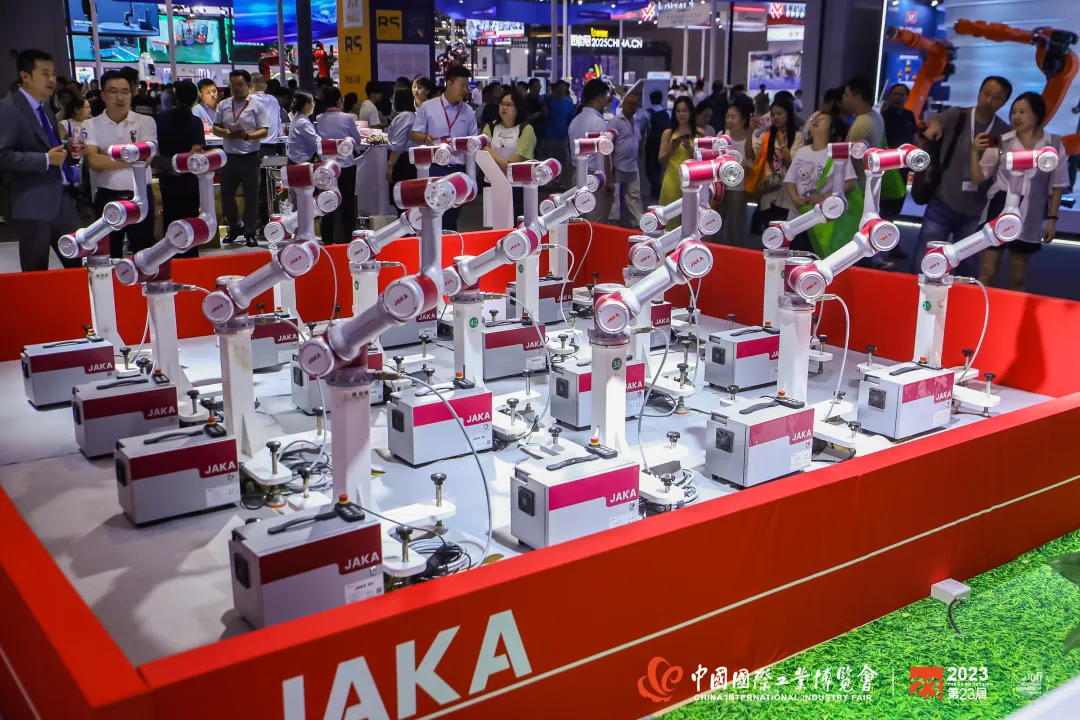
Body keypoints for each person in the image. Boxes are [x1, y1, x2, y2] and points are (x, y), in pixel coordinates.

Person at [911, 75, 1012, 277]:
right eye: (986, 94)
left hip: (975, 210)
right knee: (926, 261)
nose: (989, 101)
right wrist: (934, 127)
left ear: (1003, 103)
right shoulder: (959, 115)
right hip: (943, 202)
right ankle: (915, 294)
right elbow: (937, 122)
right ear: (979, 93)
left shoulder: (1002, 131)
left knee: (966, 270)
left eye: (996, 98)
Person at [972, 92, 1066, 291]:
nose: (1016, 117)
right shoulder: (1001, 141)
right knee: (987, 271)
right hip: (999, 205)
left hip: (1030, 210)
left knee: (1018, 275)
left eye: (1023, 112)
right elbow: (980, 176)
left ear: (1037, 114)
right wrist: (973, 152)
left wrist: (1052, 219)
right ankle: (982, 307)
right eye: (1013, 112)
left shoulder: (1054, 144)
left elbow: (1057, 185)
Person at [0, 49, 83, 271]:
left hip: (63, 200)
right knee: (36, 270)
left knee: (79, 264)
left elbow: (49, 148)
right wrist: (45, 160)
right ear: (25, 76)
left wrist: (68, 152)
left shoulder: (44, 107)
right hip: (33, 203)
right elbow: (3, 155)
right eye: (45, 74)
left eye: (53, 73)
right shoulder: (9, 108)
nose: (52, 79)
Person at [83, 70, 158, 258]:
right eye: (114, 91)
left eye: (125, 91)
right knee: (108, 254)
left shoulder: (146, 122)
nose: (120, 97)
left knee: (144, 256)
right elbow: (93, 161)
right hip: (107, 196)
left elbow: (146, 159)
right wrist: (133, 155)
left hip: (140, 196)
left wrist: (106, 153)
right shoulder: (91, 124)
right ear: (103, 95)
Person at [411, 65, 479, 231]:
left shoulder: (468, 111)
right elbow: (414, 134)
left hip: (457, 170)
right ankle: (432, 244)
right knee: (433, 214)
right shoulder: (428, 107)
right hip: (434, 168)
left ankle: (449, 244)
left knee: (452, 216)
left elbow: (473, 143)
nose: (465, 90)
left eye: (467, 86)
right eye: (462, 85)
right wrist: (425, 138)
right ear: (449, 83)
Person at [212, 69, 271, 247]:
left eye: (240, 85)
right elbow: (215, 127)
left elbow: (264, 131)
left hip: (250, 158)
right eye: (233, 85)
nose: (236, 88)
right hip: (228, 158)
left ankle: (250, 232)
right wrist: (226, 133)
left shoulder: (257, 106)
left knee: (251, 197)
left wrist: (247, 136)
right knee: (226, 196)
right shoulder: (223, 105)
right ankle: (234, 226)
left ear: (248, 86)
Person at [782, 112, 858, 252]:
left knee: (815, 254)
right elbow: (790, 180)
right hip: (796, 217)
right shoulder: (802, 151)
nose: (815, 121)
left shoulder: (837, 152)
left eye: (822, 120)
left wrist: (823, 198)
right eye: (814, 119)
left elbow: (850, 182)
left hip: (821, 218)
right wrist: (795, 198)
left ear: (832, 130)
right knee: (795, 253)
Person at [154, 80, 206, 257]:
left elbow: (156, 147)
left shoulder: (160, 118)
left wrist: (170, 166)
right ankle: (190, 258)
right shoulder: (195, 121)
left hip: (167, 175)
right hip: (189, 176)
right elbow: (196, 150)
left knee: (170, 217)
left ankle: (170, 257)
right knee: (190, 219)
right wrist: (182, 166)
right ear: (196, 98)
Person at [315, 86, 363, 245]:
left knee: (327, 202)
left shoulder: (319, 118)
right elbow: (357, 140)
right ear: (339, 100)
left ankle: (327, 238)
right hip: (346, 166)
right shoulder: (347, 118)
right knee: (347, 201)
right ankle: (347, 238)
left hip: (327, 167)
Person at [750, 97, 803, 233]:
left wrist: (782, 142)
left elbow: (792, 162)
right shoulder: (766, 136)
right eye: (773, 114)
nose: (776, 117)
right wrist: (751, 131)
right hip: (768, 194)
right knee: (768, 235)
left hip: (787, 195)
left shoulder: (798, 137)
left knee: (784, 235)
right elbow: (750, 153)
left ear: (788, 114)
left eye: (779, 113)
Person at [481, 89, 536, 219]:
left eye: (509, 104)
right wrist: (499, 161)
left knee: (517, 222)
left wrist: (494, 157)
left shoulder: (526, 129)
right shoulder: (490, 127)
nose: (504, 107)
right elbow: (482, 148)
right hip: (493, 183)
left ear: (518, 108)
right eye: (502, 104)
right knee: (493, 222)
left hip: (518, 186)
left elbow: (514, 162)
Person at [568, 78, 614, 223]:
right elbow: (603, 154)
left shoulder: (575, 121)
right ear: (599, 98)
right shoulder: (598, 122)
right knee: (596, 222)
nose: (606, 101)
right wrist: (609, 181)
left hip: (577, 174)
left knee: (577, 221)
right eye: (605, 97)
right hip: (595, 177)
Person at [657, 96, 699, 231]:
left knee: (690, 220)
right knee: (671, 219)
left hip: (692, 181)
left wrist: (689, 148)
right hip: (672, 179)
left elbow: (702, 162)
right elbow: (661, 159)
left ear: (691, 112)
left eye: (685, 111)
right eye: (678, 111)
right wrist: (672, 149)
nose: (681, 114)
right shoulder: (668, 133)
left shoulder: (698, 134)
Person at [717, 103, 755, 248]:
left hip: (739, 188)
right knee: (717, 224)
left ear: (743, 120)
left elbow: (751, 160)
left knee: (735, 226)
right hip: (720, 188)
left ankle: (735, 251)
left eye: (733, 117)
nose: (729, 120)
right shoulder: (721, 136)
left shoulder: (749, 139)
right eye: (727, 117)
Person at [607, 91, 643, 229]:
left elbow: (638, 140)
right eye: (630, 104)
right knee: (615, 195)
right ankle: (612, 223)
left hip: (633, 165)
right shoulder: (615, 122)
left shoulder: (636, 121)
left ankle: (639, 223)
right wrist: (610, 165)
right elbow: (608, 145)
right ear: (624, 104)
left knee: (634, 195)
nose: (633, 107)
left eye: (635, 105)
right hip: (618, 165)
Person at [386, 88, 417, 207]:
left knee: (401, 199)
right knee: (409, 199)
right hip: (409, 160)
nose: (392, 101)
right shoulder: (412, 115)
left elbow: (398, 145)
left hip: (402, 161)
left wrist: (390, 166)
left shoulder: (404, 117)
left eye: (394, 98)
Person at [543, 80, 575, 186]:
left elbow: (571, 118)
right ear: (555, 88)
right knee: (550, 158)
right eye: (560, 87)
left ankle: (561, 180)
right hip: (550, 134)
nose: (562, 90)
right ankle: (548, 180)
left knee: (565, 159)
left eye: (563, 88)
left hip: (563, 135)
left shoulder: (568, 102)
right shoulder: (549, 99)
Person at [643, 90, 670, 203]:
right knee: (658, 166)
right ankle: (656, 189)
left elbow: (643, 128)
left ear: (650, 100)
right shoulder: (667, 113)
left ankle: (656, 186)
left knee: (649, 166)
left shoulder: (647, 113)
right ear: (661, 99)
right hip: (663, 141)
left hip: (652, 141)